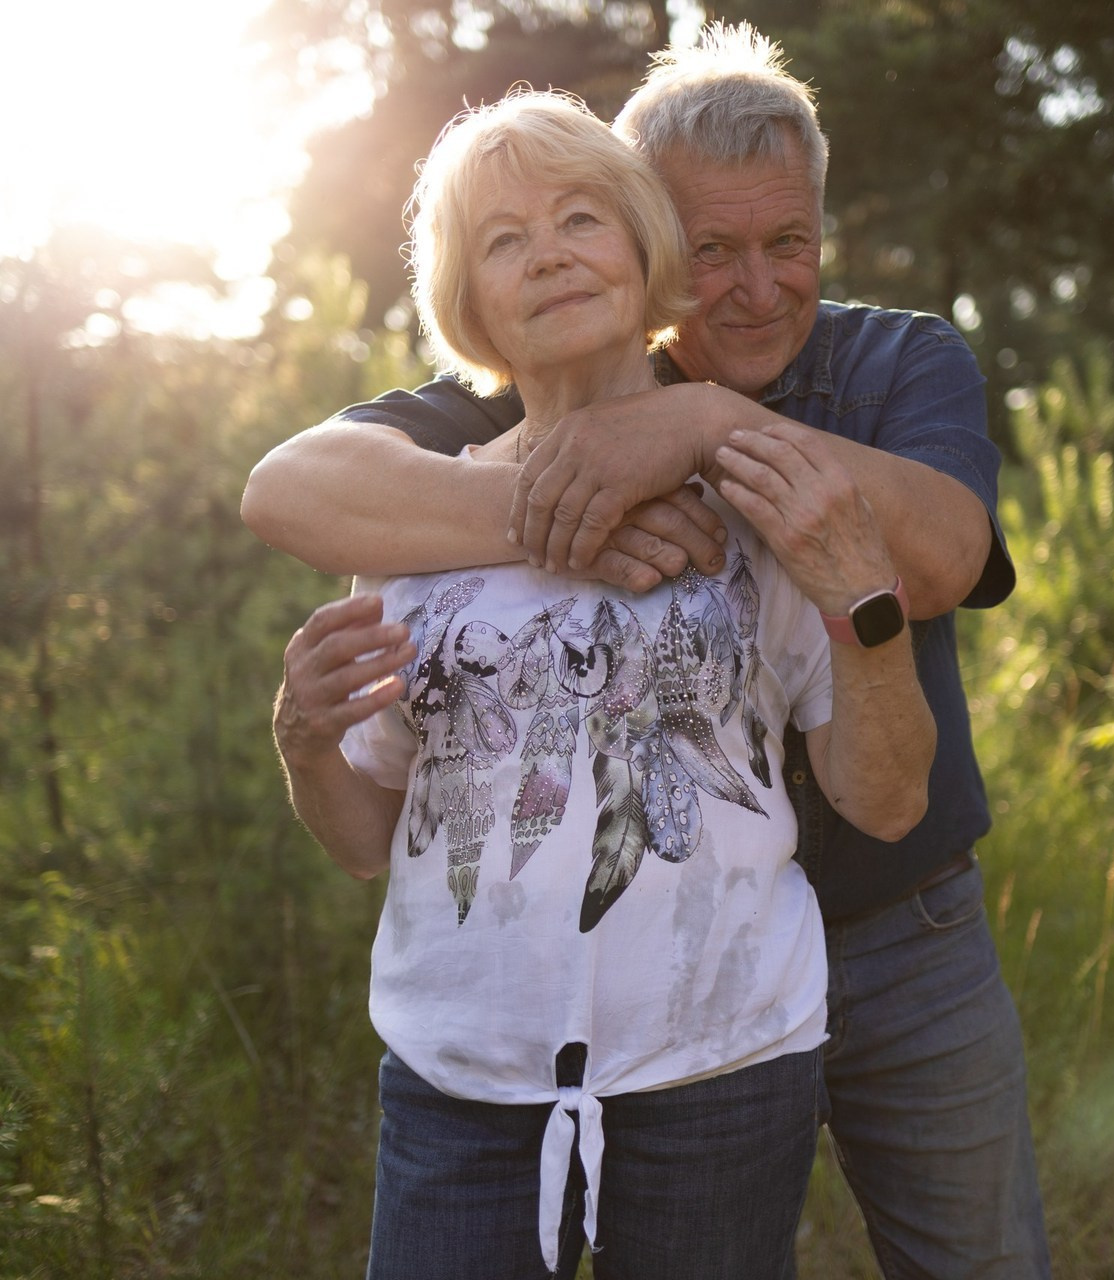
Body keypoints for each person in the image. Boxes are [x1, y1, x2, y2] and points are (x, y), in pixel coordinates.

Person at [244, 23, 1053, 1279]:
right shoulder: (493, 402)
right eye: (712, 247)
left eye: (787, 242)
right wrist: (553, 520)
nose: (754, 284)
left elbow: (939, 564)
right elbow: (288, 493)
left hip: (883, 941)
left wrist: (703, 421)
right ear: (662, 240)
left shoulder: (888, 369)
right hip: (521, 1051)